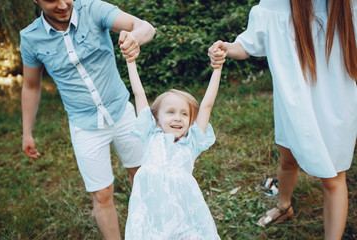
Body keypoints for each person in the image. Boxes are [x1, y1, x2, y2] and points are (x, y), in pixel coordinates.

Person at [209, 0, 357, 239]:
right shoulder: (277, 3)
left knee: (333, 179)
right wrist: (227, 48)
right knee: (287, 159)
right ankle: (283, 206)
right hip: (293, 102)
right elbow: (248, 44)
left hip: (336, 105)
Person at [19, 0, 155, 239]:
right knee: (102, 195)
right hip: (84, 127)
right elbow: (31, 86)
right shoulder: (31, 38)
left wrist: (135, 38)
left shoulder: (93, 9)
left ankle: (150, 231)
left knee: (142, 176)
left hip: (122, 113)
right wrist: (26, 132)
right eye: (52, 0)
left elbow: (144, 26)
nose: (63, 4)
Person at [121, 33, 222, 239]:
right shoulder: (150, 133)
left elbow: (207, 104)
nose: (178, 118)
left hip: (183, 212)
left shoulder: (191, 143)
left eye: (184, 114)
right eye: (170, 112)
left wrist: (217, 69)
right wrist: (131, 62)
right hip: (152, 213)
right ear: (156, 118)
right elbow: (139, 94)